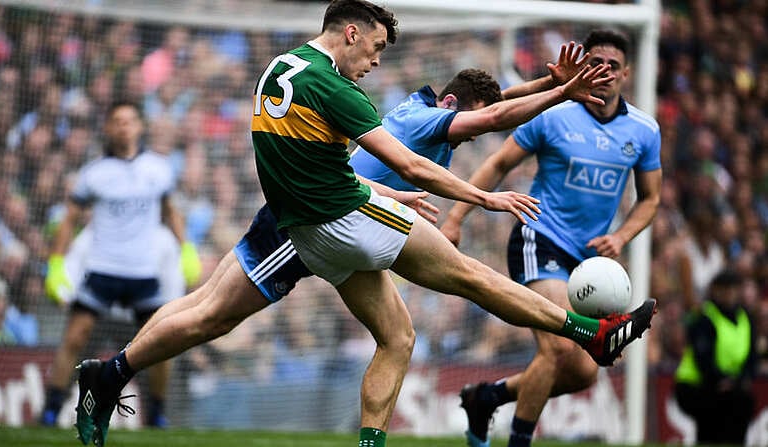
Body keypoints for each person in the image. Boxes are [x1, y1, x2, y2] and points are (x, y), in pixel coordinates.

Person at [72, 4, 655, 447]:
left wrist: (552, 87)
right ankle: (590, 333)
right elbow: (461, 132)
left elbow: (483, 111)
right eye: (374, 48)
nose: (375, 62)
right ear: (350, 32)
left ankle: (110, 371)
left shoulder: (291, 68)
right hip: (326, 221)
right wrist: (481, 195)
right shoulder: (345, 90)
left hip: (321, 207)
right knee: (467, 277)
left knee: (393, 336)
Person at [439, 29, 662, 447]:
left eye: (613, 65)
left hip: (588, 260)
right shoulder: (554, 115)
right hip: (538, 237)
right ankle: (519, 441)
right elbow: (498, 163)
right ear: (585, 65)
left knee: (582, 372)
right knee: (558, 349)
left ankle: (487, 398)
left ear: (626, 73)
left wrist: (622, 237)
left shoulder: (644, 130)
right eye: (596, 62)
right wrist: (456, 217)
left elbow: (650, 199)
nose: (604, 71)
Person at [40, 100, 202, 429]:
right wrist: (56, 263)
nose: (124, 126)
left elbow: (171, 211)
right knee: (74, 338)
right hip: (102, 270)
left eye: (130, 121)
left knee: (161, 343)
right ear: (108, 128)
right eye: (117, 121)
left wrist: (186, 249)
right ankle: (49, 411)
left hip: (143, 273)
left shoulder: (158, 168)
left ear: (139, 126)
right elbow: (69, 218)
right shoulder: (93, 173)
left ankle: (157, 413)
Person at [674, 269, 756, 445]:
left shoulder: (745, 318)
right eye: (724, 289)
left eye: (732, 289)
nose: (728, 294)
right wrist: (720, 380)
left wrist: (738, 380)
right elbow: (702, 356)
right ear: (715, 291)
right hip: (695, 385)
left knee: (742, 402)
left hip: (728, 385)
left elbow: (751, 358)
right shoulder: (705, 317)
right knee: (718, 414)